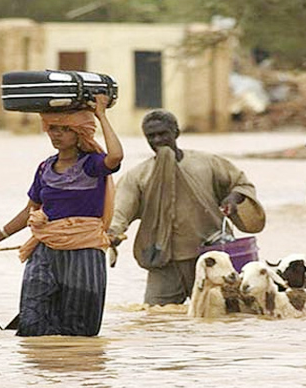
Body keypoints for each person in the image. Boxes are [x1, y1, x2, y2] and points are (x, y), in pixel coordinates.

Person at [0, 95, 122, 337]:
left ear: (80, 134)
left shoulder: (92, 165)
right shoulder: (44, 168)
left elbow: (116, 157)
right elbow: (31, 210)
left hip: (83, 252)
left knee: (79, 329)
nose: (56, 135)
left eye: (64, 129)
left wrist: (102, 115)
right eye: (52, 129)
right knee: (32, 323)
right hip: (45, 251)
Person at [108, 109, 266, 306]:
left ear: (176, 132)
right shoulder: (138, 176)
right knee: (156, 316)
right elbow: (119, 212)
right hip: (163, 260)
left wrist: (232, 199)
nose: (158, 140)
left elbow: (241, 184)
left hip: (210, 259)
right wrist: (112, 234)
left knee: (222, 314)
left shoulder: (207, 163)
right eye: (151, 136)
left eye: (163, 134)